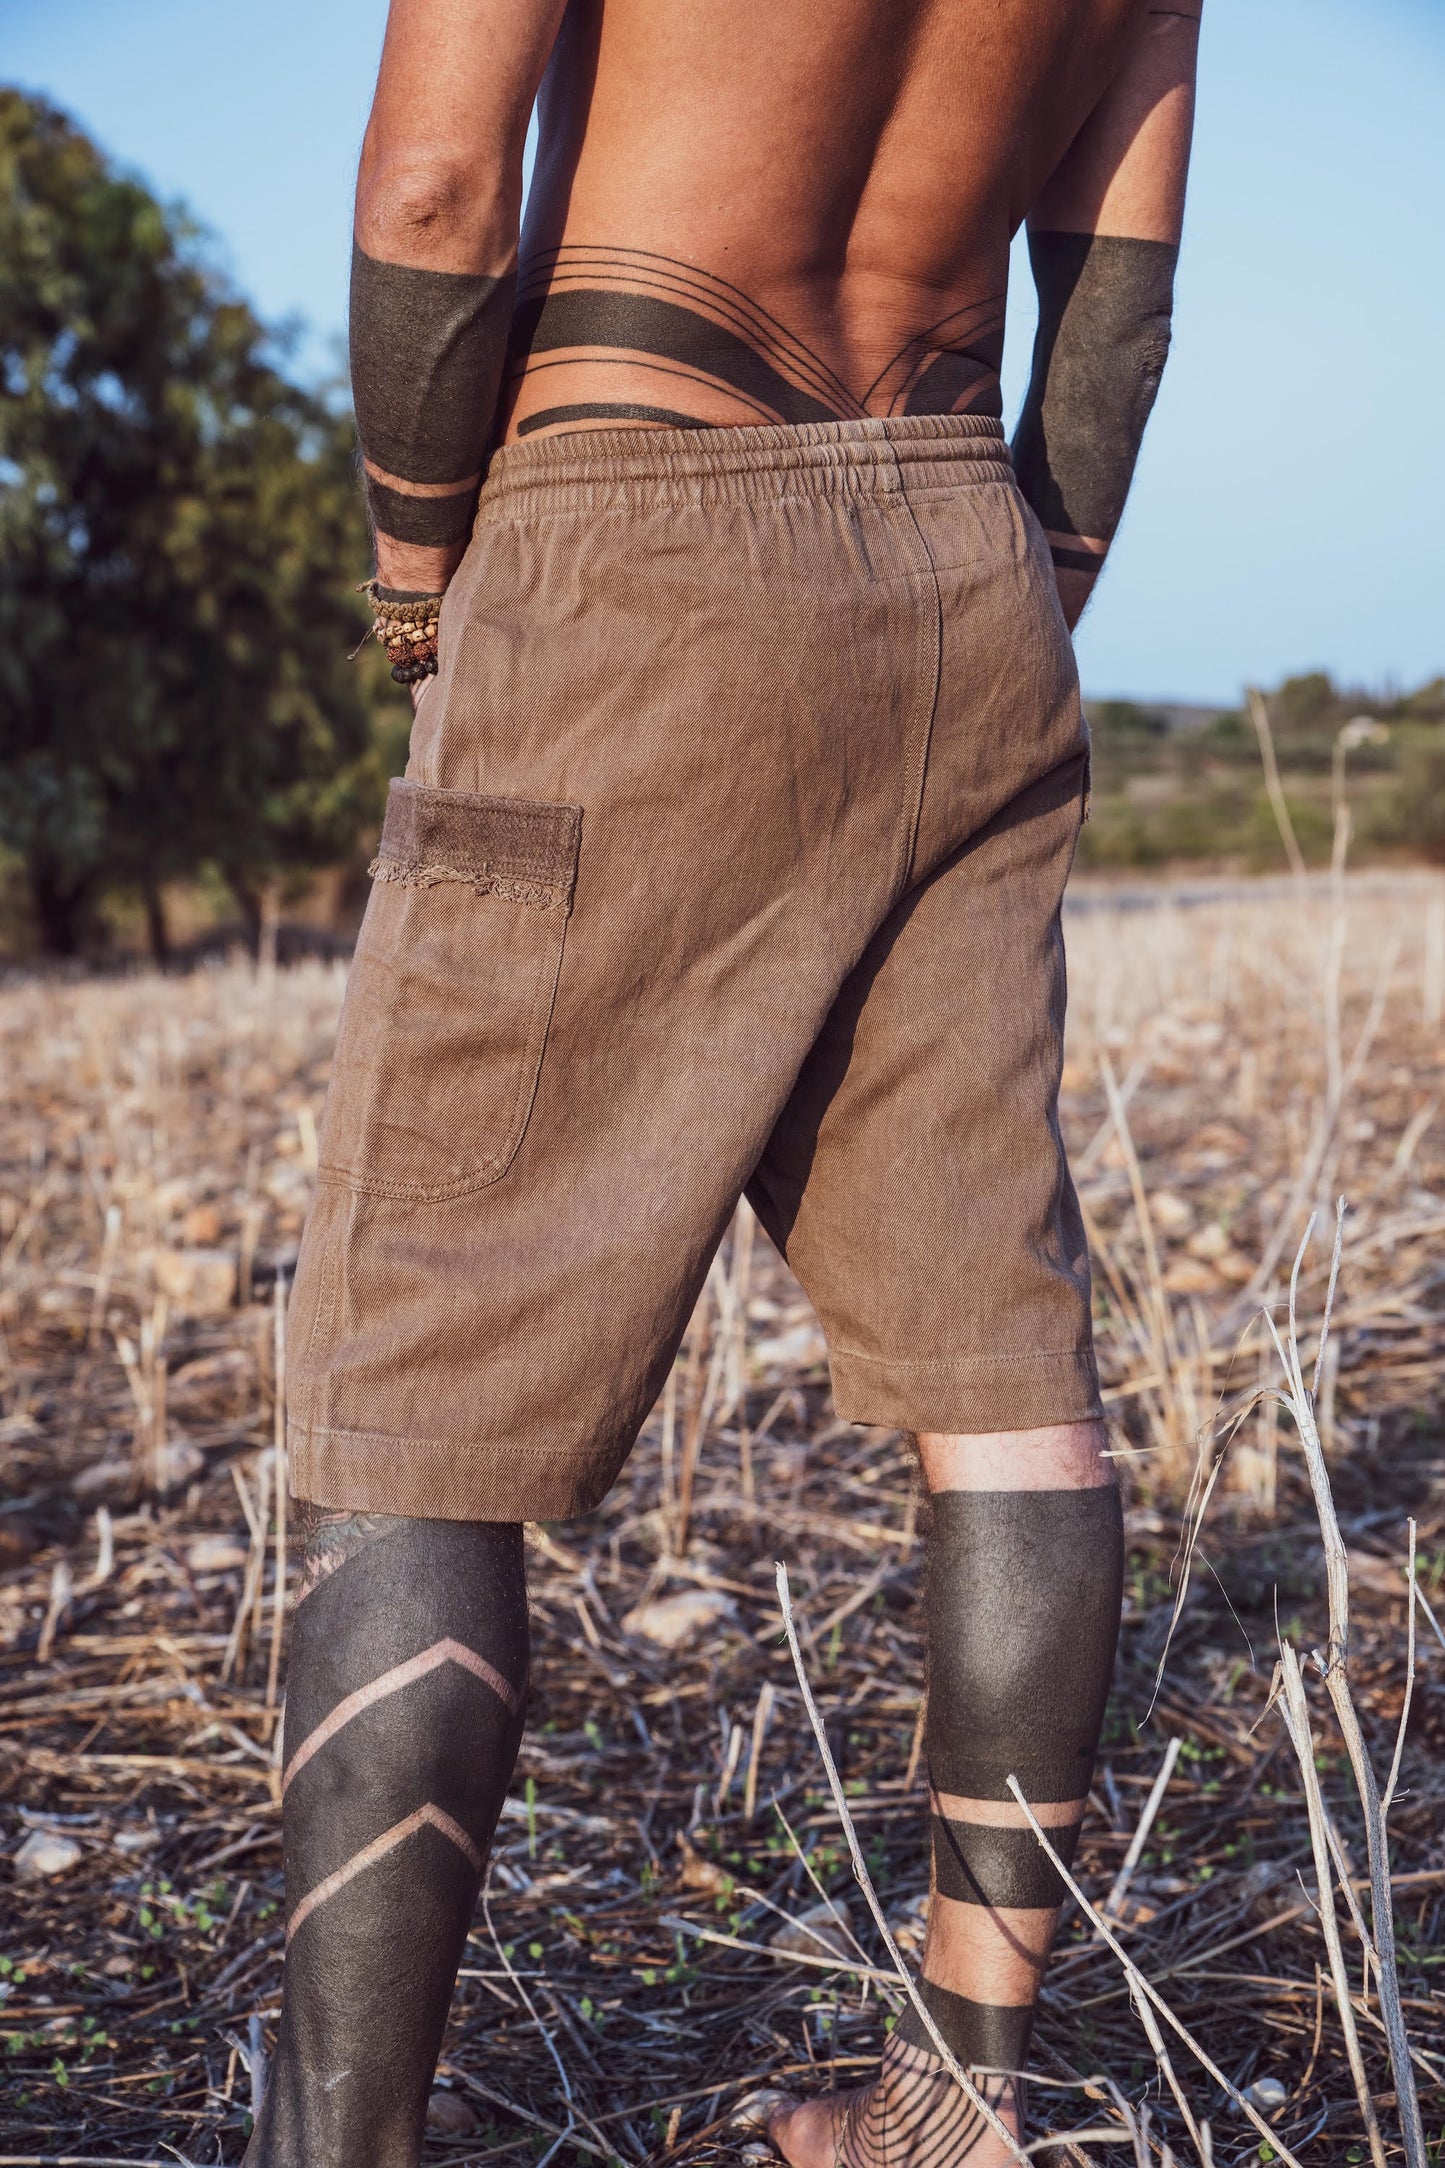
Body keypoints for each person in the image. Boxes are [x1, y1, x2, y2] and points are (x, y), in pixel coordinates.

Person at [246, 1, 1200, 2161]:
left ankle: (343, 2145)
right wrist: (1007, 593)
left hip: (629, 522)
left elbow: (431, 185)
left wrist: (420, 580)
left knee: (424, 1369)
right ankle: (963, 2105)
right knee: (1002, 1368)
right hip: (963, 544)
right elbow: (1118, 317)